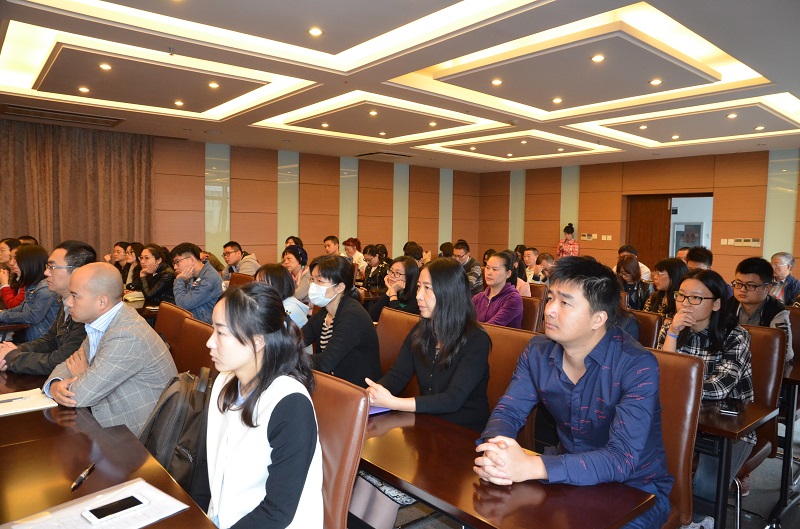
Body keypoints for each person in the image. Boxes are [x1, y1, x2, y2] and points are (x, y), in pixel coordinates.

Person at [473, 257, 672, 529]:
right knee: (495, 510)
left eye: (565, 303)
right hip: (566, 474)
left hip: (634, 489)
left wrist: (531, 467)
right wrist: (497, 450)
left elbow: (621, 458)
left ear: (598, 318)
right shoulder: (538, 351)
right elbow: (509, 410)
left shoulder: (636, 365)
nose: (550, 310)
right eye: (550, 298)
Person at [352, 257, 491, 529]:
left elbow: (453, 399)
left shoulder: (476, 339)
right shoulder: (422, 330)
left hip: (462, 441)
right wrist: (368, 395)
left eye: (428, 288)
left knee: (385, 490)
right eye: (419, 288)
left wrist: (394, 402)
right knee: (366, 478)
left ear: (449, 293)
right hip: (425, 431)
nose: (418, 295)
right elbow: (397, 376)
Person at [204, 282, 322, 528]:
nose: (210, 342)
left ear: (258, 341)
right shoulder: (225, 382)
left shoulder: (290, 404)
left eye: (221, 333)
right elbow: (211, 467)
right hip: (223, 517)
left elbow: (277, 512)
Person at [657, 269, 754, 526]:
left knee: (706, 485)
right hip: (679, 420)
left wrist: (675, 387)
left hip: (727, 427)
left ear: (716, 304)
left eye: (696, 298)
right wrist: (673, 334)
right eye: (681, 296)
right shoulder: (670, 327)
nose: (685, 304)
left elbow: (719, 388)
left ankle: (700, 520)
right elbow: (658, 374)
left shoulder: (736, 336)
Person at [44, 263, 177, 436]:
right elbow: (70, 363)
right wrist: (55, 385)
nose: (68, 303)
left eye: (75, 296)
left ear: (102, 302)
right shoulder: (102, 322)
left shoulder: (126, 335)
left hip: (134, 435)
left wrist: (83, 374)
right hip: (107, 416)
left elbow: (80, 395)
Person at [0, 241, 96, 374]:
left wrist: (13, 358)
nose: (46, 272)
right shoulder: (64, 300)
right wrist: (15, 350)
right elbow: (51, 340)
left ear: (76, 272)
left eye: (52, 267)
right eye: (47, 267)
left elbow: (61, 360)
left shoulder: (88, 311)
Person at [302, 255, 381, 387]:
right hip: (334, 383)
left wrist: (291, 358)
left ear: (339, 287)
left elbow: (325, 362)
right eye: (312, 280)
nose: (313, 286)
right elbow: (299, 339)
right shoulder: (324, 312)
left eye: (319, 281)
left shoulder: (352, 315)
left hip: (358, 389)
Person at [726, 257, 793, 362]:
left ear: (767, 288)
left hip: (763, 364)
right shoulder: (727, 305)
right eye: (738, 284)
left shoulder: (777, 312)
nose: (742, 290)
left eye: (750, 285)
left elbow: (785, 353)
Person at [0, 244, 60, 342]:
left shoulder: (45, 288)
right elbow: (22, 307)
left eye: (17, 261)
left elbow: (32, 316)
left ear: (29, 264)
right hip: (31, 338)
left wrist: (3, 316)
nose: (13, 264)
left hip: (42, 342)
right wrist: (3, 313)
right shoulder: (32, 285)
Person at [171, 242, 223, 324]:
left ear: (192, 260)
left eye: (177, 261)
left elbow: (183, 305)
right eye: (174, 263)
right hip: (194, 321)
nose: (175, 267)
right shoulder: (192, 275)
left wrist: (179, 280)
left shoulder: (209, 278)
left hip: (208, 326)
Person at [473, 251, 523, 328]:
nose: (489, 273)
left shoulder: (513, 298)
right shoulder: (480, 296)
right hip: (478, 334)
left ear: (508, 274)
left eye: (494, 269)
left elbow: (492, 327)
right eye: (487, 268)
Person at [255, 263, 310, 330]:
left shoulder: (289, 310)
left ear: (278, 284)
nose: (256, 286)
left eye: (261, 282)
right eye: (256, 282)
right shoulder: (276, 302)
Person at [369, 257, 420, 322]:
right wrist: (390, 291)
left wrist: (393, 292)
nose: (392, 275)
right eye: (391, 271)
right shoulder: (393, 289)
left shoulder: (416, 296)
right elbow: (372, 317)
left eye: (397, 273)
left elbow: (397, 320)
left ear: (409, 276)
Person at [0, 244, 24, 308]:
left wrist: (4, 284)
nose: (11, 263)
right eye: (10, 258)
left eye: (2, 250)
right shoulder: (15, 276)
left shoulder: (32, 282)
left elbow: (12, 305)